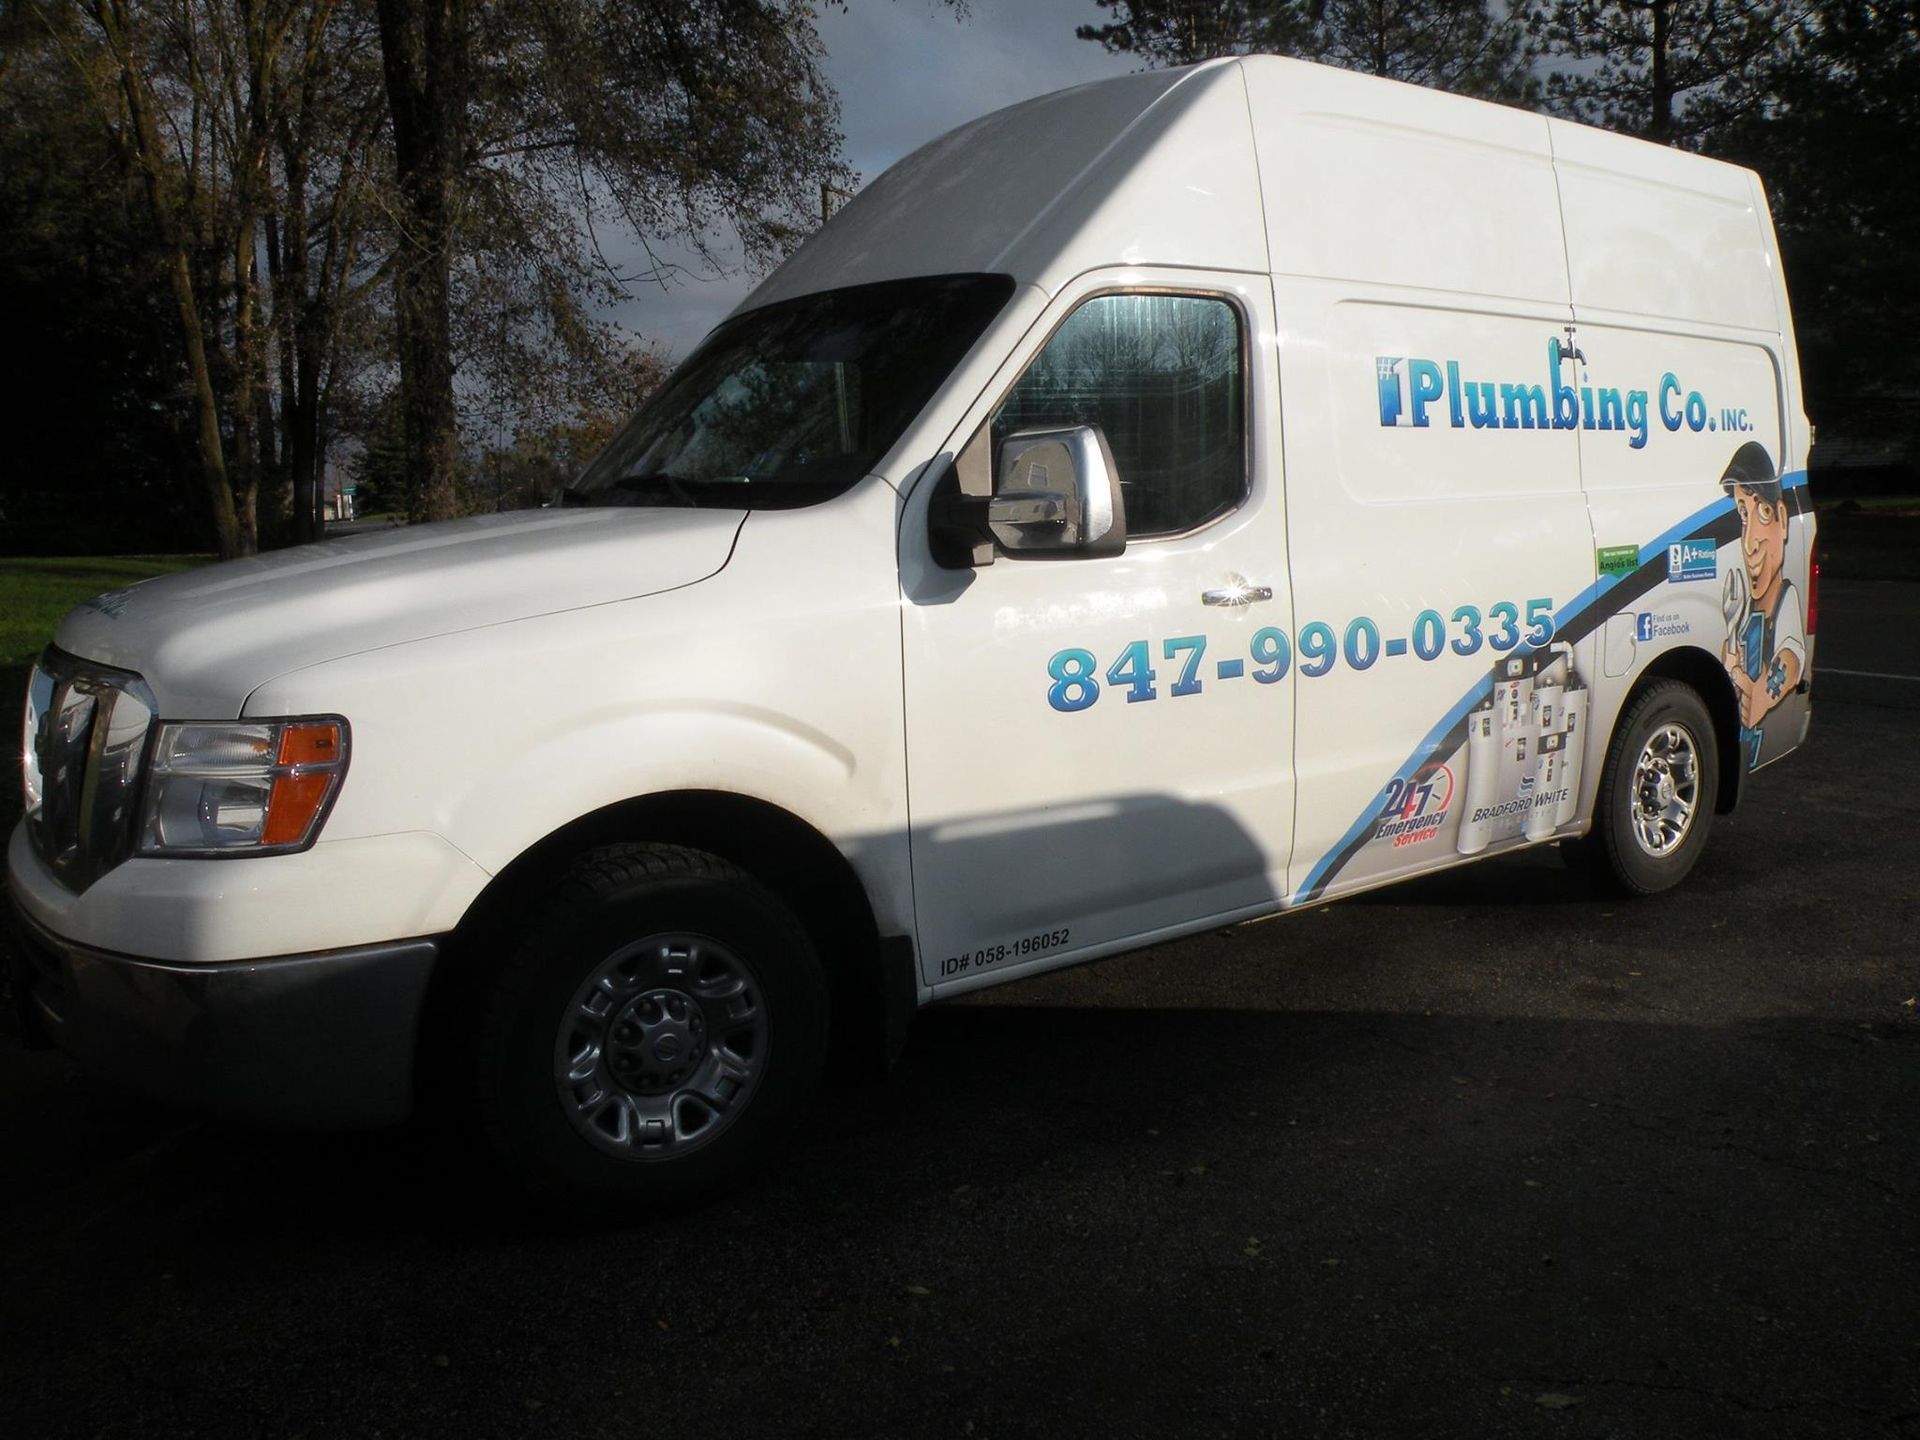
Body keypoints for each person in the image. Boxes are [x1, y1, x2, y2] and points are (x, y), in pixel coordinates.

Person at [1719, 442, 1804, 767]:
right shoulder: (1743, 615)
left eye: (1763, 512)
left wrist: (1755, 691)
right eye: (1743, 514)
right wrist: (1733, 670)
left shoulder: (1785, 601)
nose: (1750, 540)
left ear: (1783, 519)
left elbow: (1790, 657)